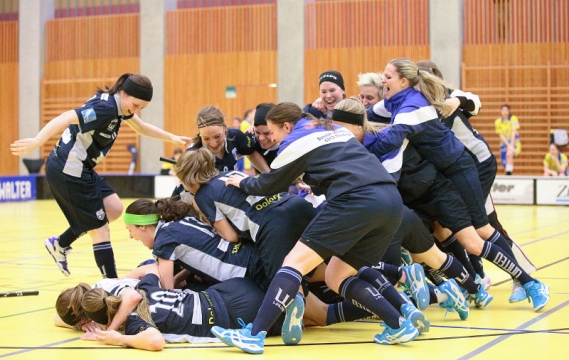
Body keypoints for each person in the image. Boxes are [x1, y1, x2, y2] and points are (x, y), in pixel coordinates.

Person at [210, 102, 421, 354]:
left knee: (293, 263)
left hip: (355, 201)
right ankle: (398, 324)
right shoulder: (332, 128)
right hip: (390, 201)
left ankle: (254, 335)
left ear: (286, 126)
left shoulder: (293, 142)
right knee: (337, 277)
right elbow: (339, 167)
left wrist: (243, 182)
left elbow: (269, 184)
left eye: (273, 132)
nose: (272, 139)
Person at [372, 58, 549, 312]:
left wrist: (459, 101)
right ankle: (478, 279)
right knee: (459, 231)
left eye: (387, 76)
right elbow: (367, 114)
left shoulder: (418, 102)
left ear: (405, 81)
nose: (382, 80)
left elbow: (473, 101)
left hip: (464, 166)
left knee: (483, 228)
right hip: (442, 172)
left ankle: (526, 280)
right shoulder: (394, 101)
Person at [10, 73, 192, 278]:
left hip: (83, 169)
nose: (137, 110)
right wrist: (37, 141)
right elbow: (67, 117)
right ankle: (112, 284)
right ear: (123, 93)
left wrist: (173, 138)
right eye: (136, 105)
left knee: (113, 209)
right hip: (68, 171)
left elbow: (141, 127)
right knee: (100, 229)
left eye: (142, 107)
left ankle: (59, 243)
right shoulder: (104, 109)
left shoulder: (120, 106)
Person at [175, 147, 318, 286]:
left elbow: (231, 237)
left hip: (273, 223)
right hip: (296, 204)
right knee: (314, 258)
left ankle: (322, 310)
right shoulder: (230, 173)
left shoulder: (203, 195)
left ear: (187, 178)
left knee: (279, 283)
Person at [123, 197, 270, 290]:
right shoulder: (177, 222)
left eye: (130, 230)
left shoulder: (163, 240)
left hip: (244, 270)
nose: (130, 236)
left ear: (142, 226)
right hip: (251, 256)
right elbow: (199, 254)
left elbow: (167, 290)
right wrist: (178, 278)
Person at [495, 104, 521, 175]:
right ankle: (508, 172)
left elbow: (513, 131)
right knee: (505, 162)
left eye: (506, 110)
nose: (505, 112)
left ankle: (509, 175)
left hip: (514, 142)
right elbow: (501, 135)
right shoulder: (498, 122)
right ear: (501, 111)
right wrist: (508, 144)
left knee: (509, 154)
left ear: (509, 111)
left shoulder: (513, 119)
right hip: (504, 144)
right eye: (503, 110)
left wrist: (511, 145)